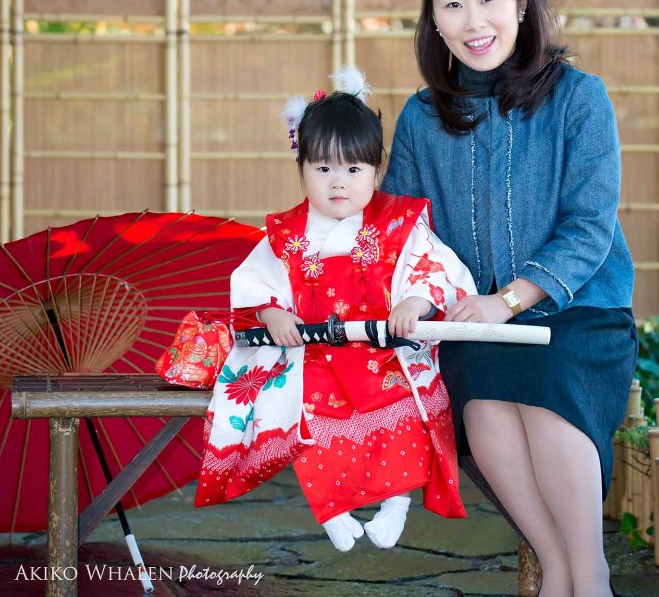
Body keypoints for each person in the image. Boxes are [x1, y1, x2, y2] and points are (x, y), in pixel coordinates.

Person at [381, 0, 638, 597]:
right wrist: (412, 295)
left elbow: (589, 225)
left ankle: (588, 576)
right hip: (474, 323)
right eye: (452, 3)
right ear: (432, 18)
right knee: (487, 404)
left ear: (521, 3)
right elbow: (407, 235)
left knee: (549, 390)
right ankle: (556, 564)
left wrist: (513, 297)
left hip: (577, 308)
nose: (474, 20)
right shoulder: (423, 117)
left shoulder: (578, 97)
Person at [195, 66, 476, 552]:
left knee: (403, 410)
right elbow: (254, 282)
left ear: (377, 170)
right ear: (301, 168)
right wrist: (271, 314)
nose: (338, 182)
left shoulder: (398, 223)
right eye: (323, 168)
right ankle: (334, 508)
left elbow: (436, 268)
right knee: (309, 416)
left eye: (353, 169)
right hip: (318, 355)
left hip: (383, 350)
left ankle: (396, 501)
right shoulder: (285, 234)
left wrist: (415, 301)